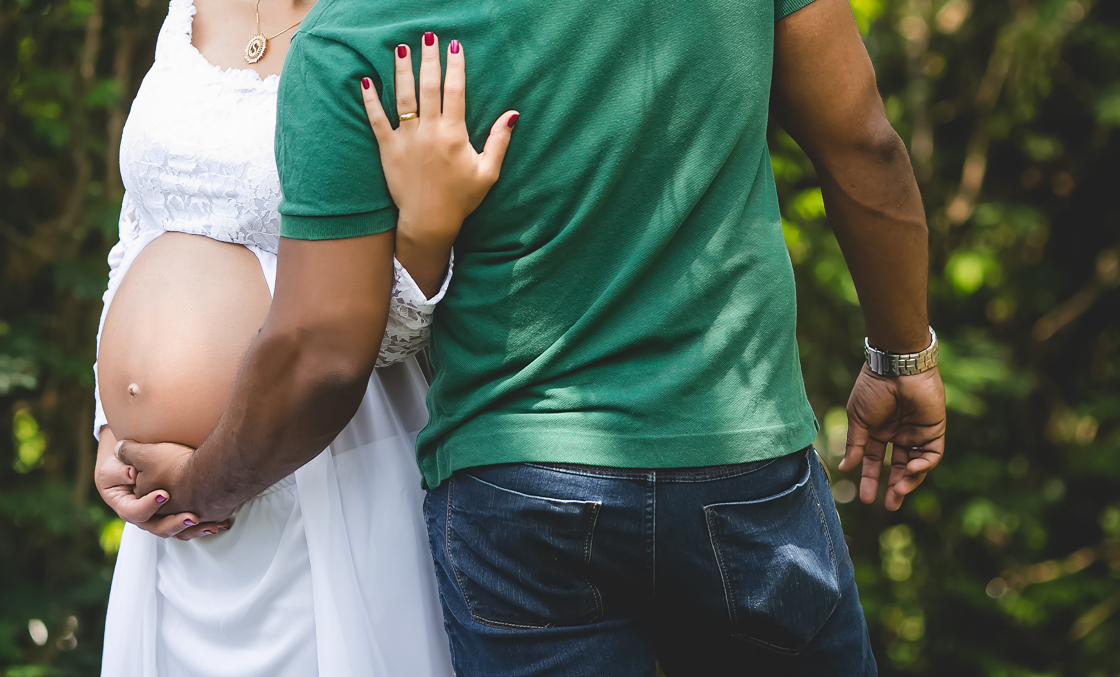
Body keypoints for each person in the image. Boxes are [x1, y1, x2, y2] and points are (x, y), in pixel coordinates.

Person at [116, 0, 948, 674]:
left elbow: (323, 354)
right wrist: (901, 356)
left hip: (517, 485)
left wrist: (199, 485)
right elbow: (863, 143)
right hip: (739, 461)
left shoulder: (361, 31)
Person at [90, 0, 516, 672]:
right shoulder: (189, 8)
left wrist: (429, 233)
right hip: (165, 511)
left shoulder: (385, 21)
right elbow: (140, 228)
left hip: (320, 470)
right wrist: (111, 426)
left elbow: (377, 338)